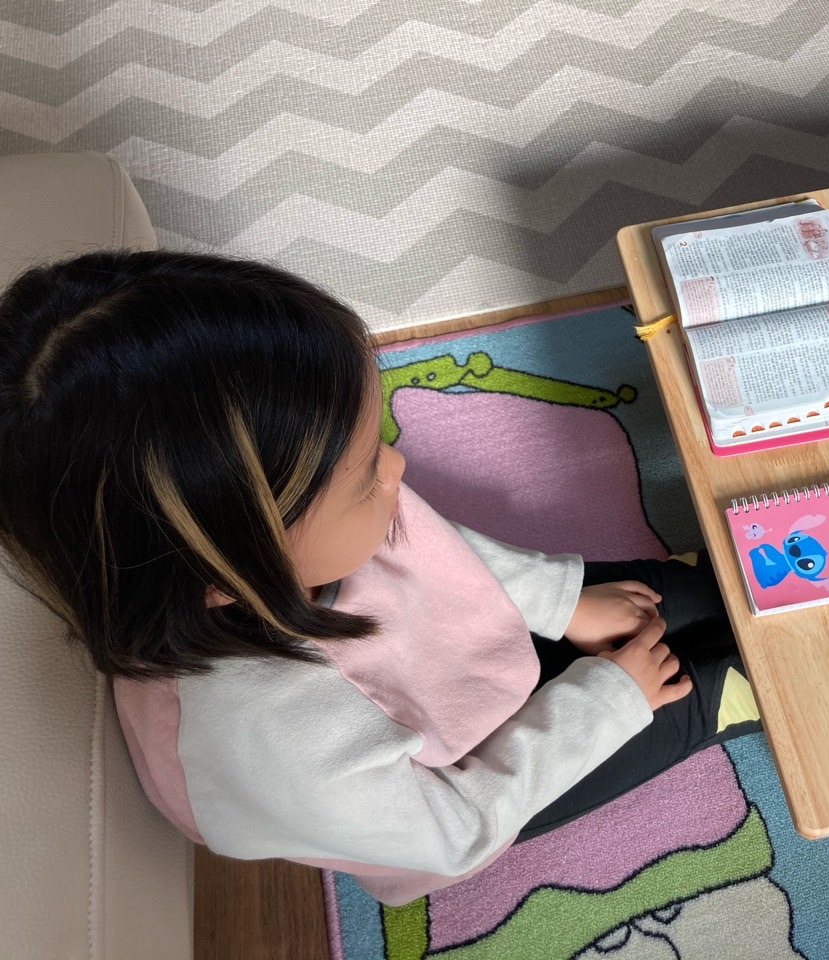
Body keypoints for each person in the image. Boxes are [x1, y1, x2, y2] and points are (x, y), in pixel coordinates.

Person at [0, 251, 760, 905]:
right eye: (367, 471)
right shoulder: (272, 750)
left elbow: (429, 545)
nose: (397, 468)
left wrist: (560, 602)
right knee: (698, 694)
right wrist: (609, 701)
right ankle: (737, 694)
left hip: (441, 649)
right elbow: (456, 828)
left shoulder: (280, 522)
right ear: (229, 567)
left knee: (692, 590)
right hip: (470, 779)